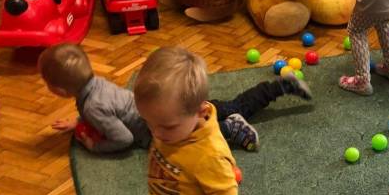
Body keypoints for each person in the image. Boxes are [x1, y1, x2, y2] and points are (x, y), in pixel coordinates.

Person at [130, 46, 335, 195]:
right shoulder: (168, 127)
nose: (156, 133)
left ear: (201, 111)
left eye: (167, 126)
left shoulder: (210, 156)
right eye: (149, 123)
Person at [39, 42, 311, 153]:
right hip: (177, 101)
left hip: (164, 123)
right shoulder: (97, 83)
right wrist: (79, 121)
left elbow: (124, 138)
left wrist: (94, 146)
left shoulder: (92, 107)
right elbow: (105, 109)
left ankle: (230, 129)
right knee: (235, 104)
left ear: (60, 91)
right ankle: (281, 86)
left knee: (199, 138)